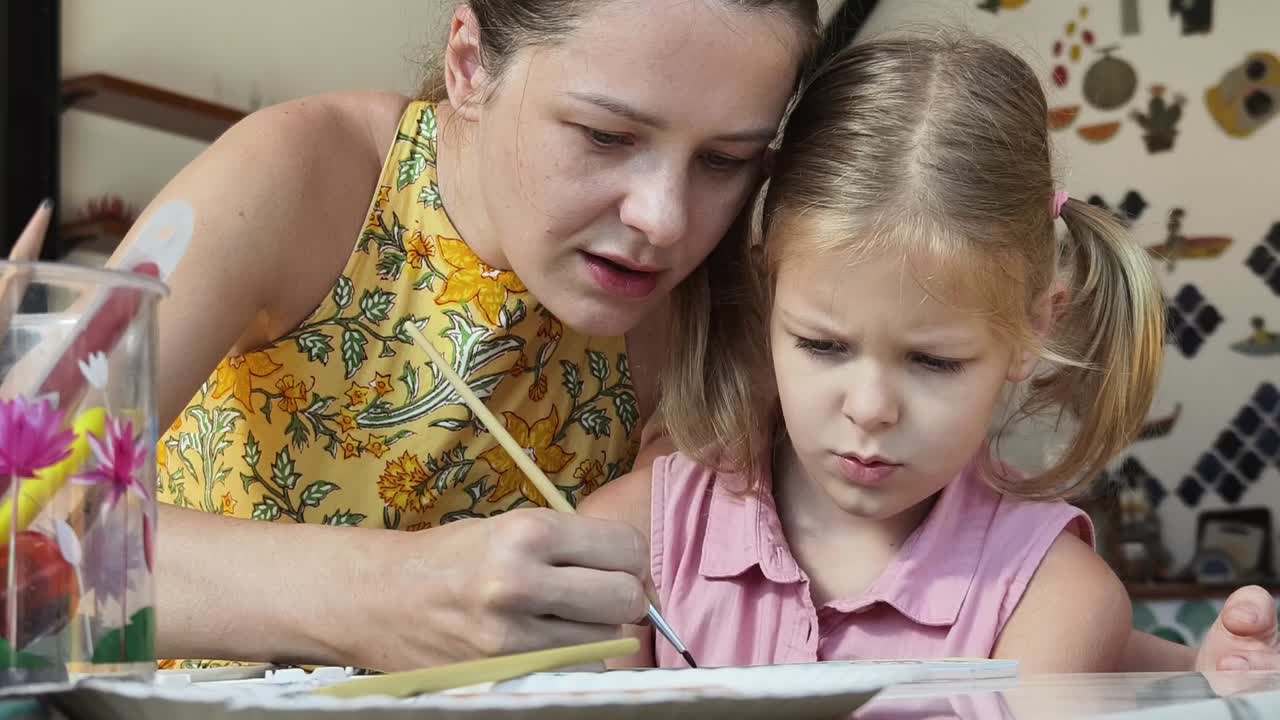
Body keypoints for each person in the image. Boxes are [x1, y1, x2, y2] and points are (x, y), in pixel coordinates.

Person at [113, 0, 1272, 671]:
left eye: (729, 160)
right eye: (604, 134)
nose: (665, 222)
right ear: (469, 63)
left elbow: (897, 593)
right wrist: (379, 592)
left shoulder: (723, 290)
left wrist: (1178, 672)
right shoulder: (300, 179)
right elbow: (19, 528)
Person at [581, 33, 1278, 673]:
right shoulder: (627, 541)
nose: (871, 409)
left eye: (933, 362)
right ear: (769, 298)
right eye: (823, 344)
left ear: (1033, 332)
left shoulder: (1054, 600)